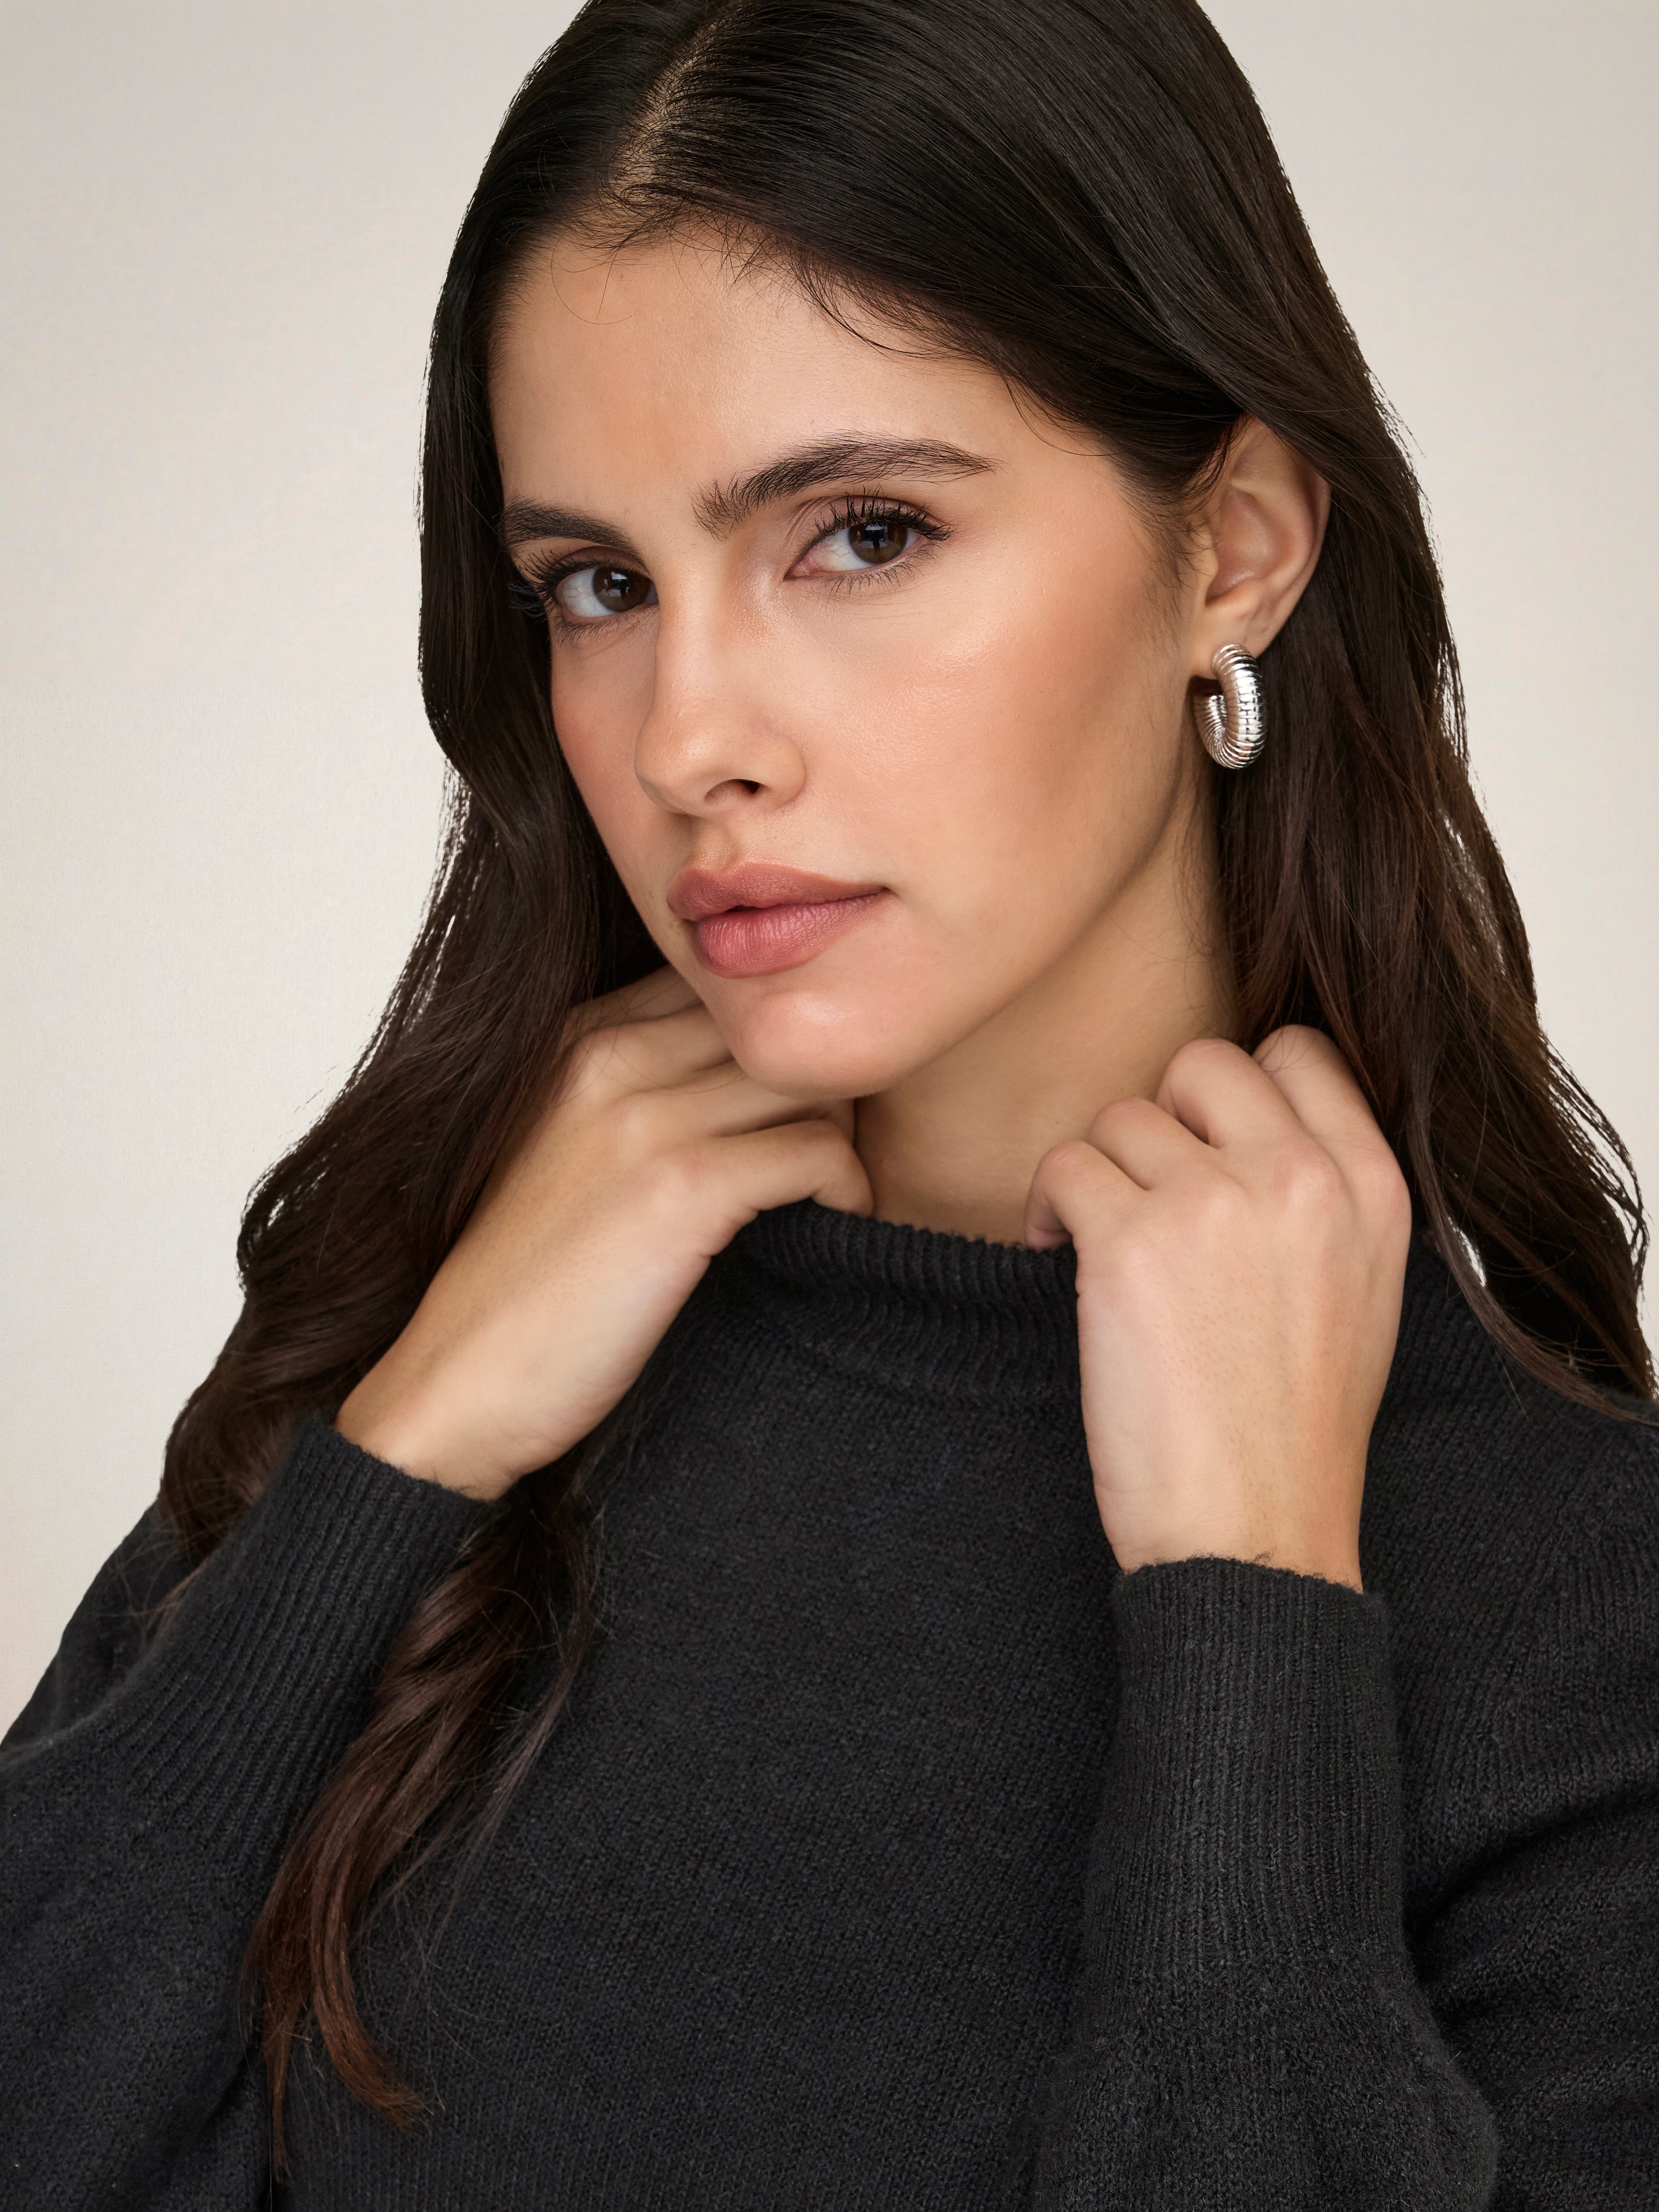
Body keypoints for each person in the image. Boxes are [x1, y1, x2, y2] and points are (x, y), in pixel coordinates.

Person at [4, 0, 1655, 2202]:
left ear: (1237, 548)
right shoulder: (419, 1356)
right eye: (599, 586)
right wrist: (396, 1456)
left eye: (862, 533)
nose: (688, 736)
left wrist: (1255, 1616)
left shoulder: (1573, 1590)